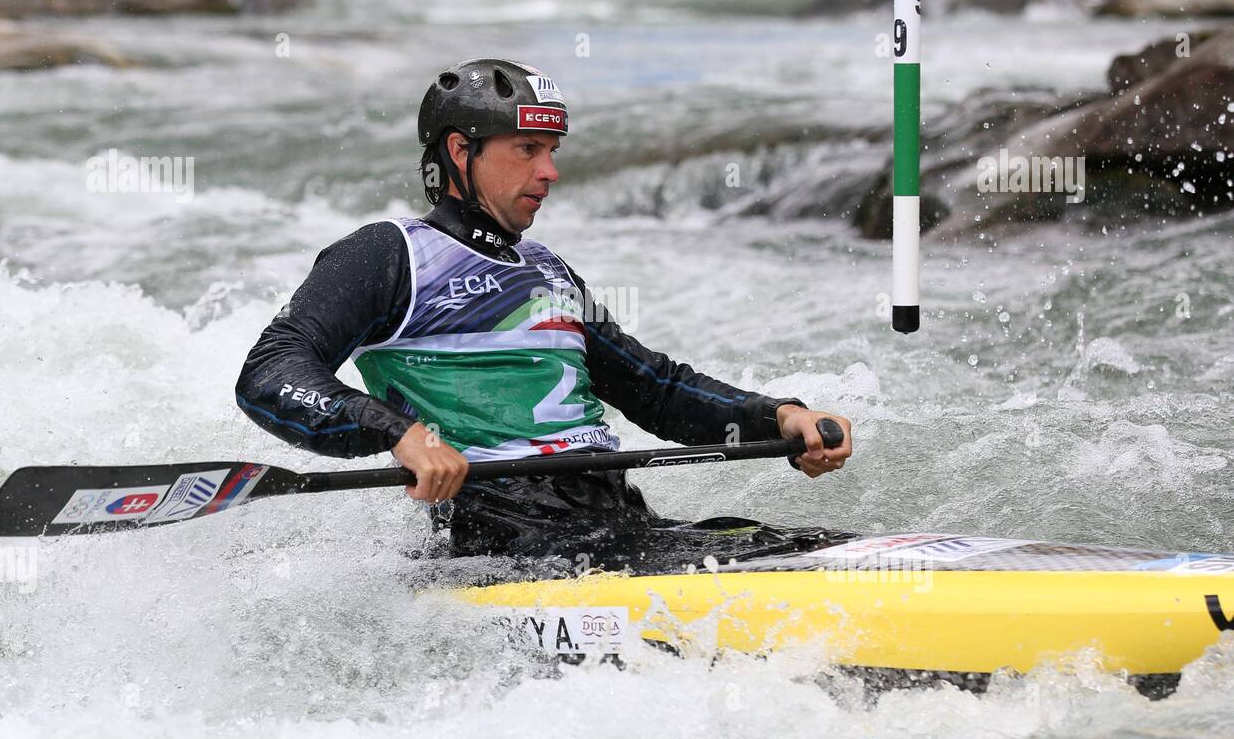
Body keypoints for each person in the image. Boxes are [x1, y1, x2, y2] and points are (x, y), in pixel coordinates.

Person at [236, 58, 854, 573]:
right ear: (460, 152)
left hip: (609, 518)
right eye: (527, 149)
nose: (550, 172)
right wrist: (401, 433)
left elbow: (654, 388)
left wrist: (778, 416)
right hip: (499, 540)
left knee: (823, 553)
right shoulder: (388, 252)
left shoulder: (547, 269)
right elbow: (269, 373)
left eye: (552, 151)